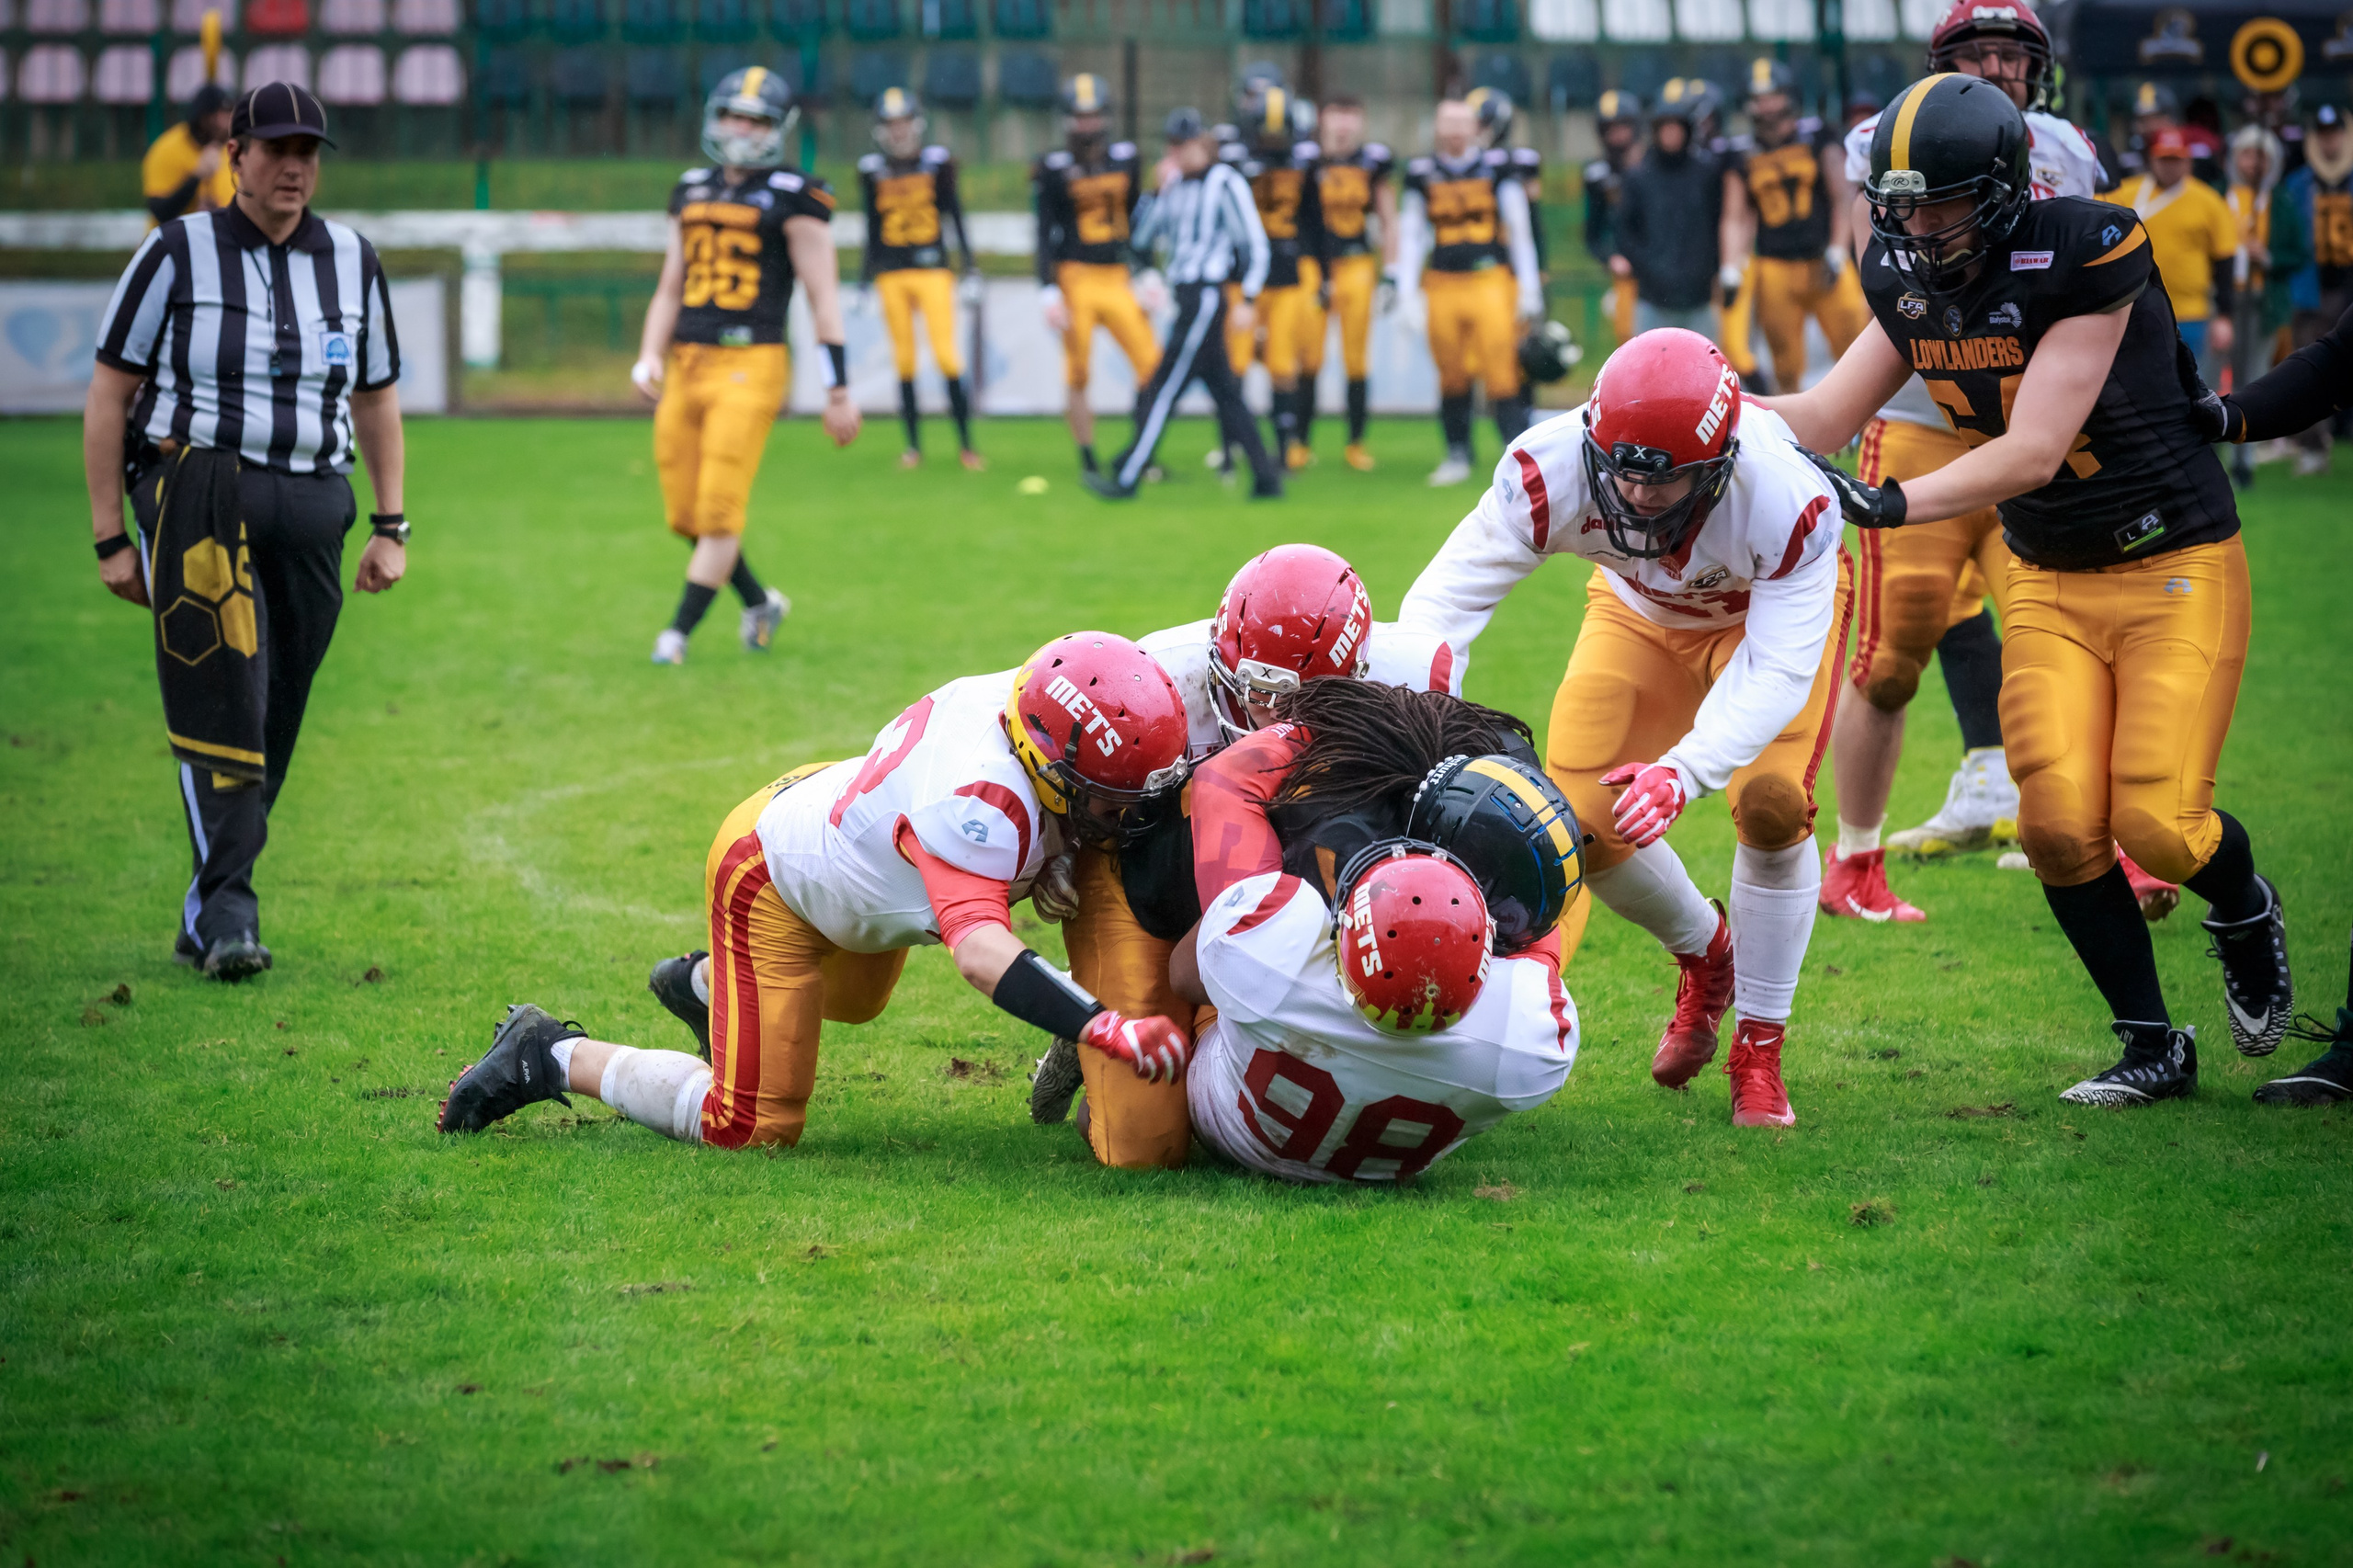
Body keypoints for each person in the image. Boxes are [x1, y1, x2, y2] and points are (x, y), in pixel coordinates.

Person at [1779, 73, 2293, 1106]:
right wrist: (1690, 402)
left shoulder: (2088, 247)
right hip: (2052, 573)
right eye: (1899, 206)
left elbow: (2034, 447)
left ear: (2005, 190)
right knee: (2055, 822)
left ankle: (2242, 902)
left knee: (2157, 823)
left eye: (1940, 204)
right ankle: (2151, 1043)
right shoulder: (1906, 275)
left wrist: (1888, 503)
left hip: (2171, 560)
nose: (1915, 227)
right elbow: (1825, 414)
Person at [438, 633, 1197, 1148]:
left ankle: (707, 988)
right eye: (1108, 801)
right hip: (772, 875)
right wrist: (1099, 1025)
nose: (1123, 818)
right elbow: (980, 952)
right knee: (751, 1126)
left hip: (848, 843)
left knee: (858, 1003)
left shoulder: (1031, 701)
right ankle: (550, 1053)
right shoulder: (977, 802)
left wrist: (1061, 847)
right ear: (1048, 769)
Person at [1400, 328, 1849, 1129]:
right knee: (1581, 827)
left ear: (1719, 462)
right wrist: (1417, 715)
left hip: (1759, 628)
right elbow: (1443, 605)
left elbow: (1778, 670)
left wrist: (1685, 769)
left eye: (1664, 478)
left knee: (1772, 804)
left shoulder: (1787, 498)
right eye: (1623, 471)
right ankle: (1708, 952)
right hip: (1638, 617)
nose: (1637, 495)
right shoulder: (1548, 470)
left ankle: (1760, 1046)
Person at [84, 83, 407, 982]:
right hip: (200, 491)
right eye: (277, 149)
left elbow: (377, 396)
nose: (295, 167)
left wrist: (390, 522)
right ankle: (230, 912)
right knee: (229, 692)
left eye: (309, 152)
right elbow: (109, 393)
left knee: (277, 710)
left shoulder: (353, 258)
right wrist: (111, 535)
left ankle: (209, 897)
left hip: (315, 500)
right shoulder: (174, 252)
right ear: (236, 156)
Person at [1025, 543, 1482, 1156]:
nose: (1265, 713)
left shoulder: (1416, 680)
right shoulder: (1157, 679)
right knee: (1140, 1146)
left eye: (1291, 700)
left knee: (1266, 1092)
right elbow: (1063, 754)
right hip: (1145, 887)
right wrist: (1055, 846)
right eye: (1251, 689)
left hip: (1279, 891)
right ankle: (1104, 1009)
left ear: (1358, 677)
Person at [1817, 0, 2109, 923]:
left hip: (2034, 431)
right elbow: (1886, 276)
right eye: (1975, 52)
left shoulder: (2068, 150)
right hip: (1918, 415)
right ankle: (1854, 861)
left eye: (2009, 54)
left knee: (2064, 642)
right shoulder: (1883, 141)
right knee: (1888, 658)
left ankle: (2106, 841)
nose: (1995, 67)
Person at [1171, 841, 1576, 1184]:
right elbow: (1538, 951)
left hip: (1226, 1130)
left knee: (1222, 969)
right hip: (1376, 1171)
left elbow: (1181, 977)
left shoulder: (1275, 946)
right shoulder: (1525, 1038)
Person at [634, 68, 858, 666]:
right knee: (685, 515)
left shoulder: (797, 194)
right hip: (687, 361)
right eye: (734, 115)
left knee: (718, 510)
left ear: (778, 129)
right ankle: (759, 602)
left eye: (757, 120)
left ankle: (675, 636)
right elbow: (670, 286)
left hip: (751, 362)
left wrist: (838, 389)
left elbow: (823, 298)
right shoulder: (691, 188)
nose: (742, 128)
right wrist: (649, 353)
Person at [1083, 108, 1283, 501]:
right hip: (1184, 294)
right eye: (1174, 145)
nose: (1181, 152)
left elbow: (1254, 244)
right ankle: (1266, 478)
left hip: (1206, 294)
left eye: (1187, 143)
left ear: (1203, 143)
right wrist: (1154, 193)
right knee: (1226, 393)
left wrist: (1248, 296)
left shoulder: (1225, 182)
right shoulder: (1174, 186)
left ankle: (1130, 474)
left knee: (1165, 385)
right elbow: (1141, 238)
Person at [1392, 98, 1543, 487]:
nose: (1456, 131)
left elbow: (1519, 230)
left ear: (1476, 128)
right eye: (1449, 123)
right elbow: (1412, 235)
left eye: (1462, 123)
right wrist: (1407, 291)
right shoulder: (1422, 172)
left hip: (1489, 278)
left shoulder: (1498, 168)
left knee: (1502, 368)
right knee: (1451, 372)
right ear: (1437, 128)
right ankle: (1457, 452)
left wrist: (1529, 288)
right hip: (1442, 281)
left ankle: (1518, 455)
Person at [1033, 73, 1158, 480]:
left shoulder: (1126, 158)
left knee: (1152, 365)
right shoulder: (1054, 167)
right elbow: (1044, 232)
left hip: (1117, 275)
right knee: (1078, 371)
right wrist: (1047, 288)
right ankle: (1087, 457)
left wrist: (1147, 270)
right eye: (1080, 116)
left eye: (1093, 115)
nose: (1087, 124)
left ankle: (1141, 452)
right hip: (1076, 276)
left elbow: (1140, 221)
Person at [1716, 57, 1865, 394]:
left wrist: (1838, 249)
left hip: (1822, 259)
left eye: (1773, 95)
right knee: (1784, 363)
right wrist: (1731, 267)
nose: (1767, 105)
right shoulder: (1741, 152)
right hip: (1776, 266)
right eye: (1759, 98)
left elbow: (1843, 196)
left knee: (1855, 343)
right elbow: (1735, 215)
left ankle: (1868, 415)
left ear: (1789, 96)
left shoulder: (1816, 136)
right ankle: (1793, 423)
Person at [857, 86, 983, 471]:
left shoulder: (937, 163)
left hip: (933, 270)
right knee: (904, 361)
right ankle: (913, 447)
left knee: (946, 355)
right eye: (891, 124)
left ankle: (967, 446)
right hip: (891, 273)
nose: (898, 131)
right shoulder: (872, 170)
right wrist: (863, 280)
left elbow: (955, 216)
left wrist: (970, 267)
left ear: (916, 124)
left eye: (903, 122)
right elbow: (871, 227)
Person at [1223, 83, 1330, 471]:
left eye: (1278, 133)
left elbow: (1315, 220)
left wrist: (1326, 275)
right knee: (1235, 363)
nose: (1272, 141)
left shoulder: (1304, 161)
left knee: (1283, 366)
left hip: (1286, 273)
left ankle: (1284, 451)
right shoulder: (1234, 160)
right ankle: (1231, 450)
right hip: (1242, 274)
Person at [1311, 95, 1396, 471]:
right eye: (1336, 115)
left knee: (1356, 358)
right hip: (1314, 266)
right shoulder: (1307, 160)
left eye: (1351, 116)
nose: (1343, 125)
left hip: (1356, 263)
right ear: (1322, 118)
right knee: (1307, 354)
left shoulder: (1371, 163)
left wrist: (1391, 272)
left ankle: (1355, 443)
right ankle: (1298, 443)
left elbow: (1388, 218)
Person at [2110, 128, 2238, 377]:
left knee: (2191, 382)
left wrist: (2224, 316)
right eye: (2164, 159)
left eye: (2176, 159)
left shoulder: (2208, 200)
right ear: (2151, 159)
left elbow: (2224, 260)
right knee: (2142, 381)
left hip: (2191, 313)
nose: (2170, 166)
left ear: (2188, 160)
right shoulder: (2125, 194)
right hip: (2136, 310)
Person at [2272, 102, 2353, 475]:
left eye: (2334, 133)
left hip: (2347, 284)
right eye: (2323, 134)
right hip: (2311, 287)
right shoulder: (2298, 183)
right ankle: (2312, 445)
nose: (2329, 141)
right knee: (2310, 366)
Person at [1608, 82, 1722, 347]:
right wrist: (1649, 269)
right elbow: (1625, 232)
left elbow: (1716, 224)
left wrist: (1708, 269)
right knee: (1650, 364)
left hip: (1699, 296)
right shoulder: (1638, 177)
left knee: (1703, 364)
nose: (1671, 134)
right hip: (1653, 297)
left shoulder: (1706, 173)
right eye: (1665, 127)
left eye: (1676, 127)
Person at [1583, 89, 1644, 350]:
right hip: (1628, 270)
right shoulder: (1598, 175)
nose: (1617, 136)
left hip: (1663, 263)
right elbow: (1592, 232)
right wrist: (1610, 257)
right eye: (1610, 129)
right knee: (1629, 339)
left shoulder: (1653, 167)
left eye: (1622, 127)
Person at [142, 84, 235, 228]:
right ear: (206, 118)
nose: (229, 122)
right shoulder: (168, 148)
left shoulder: (229, 147)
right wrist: (196, 177)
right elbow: (161, 213)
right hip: (174, 239)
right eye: (224, 115)